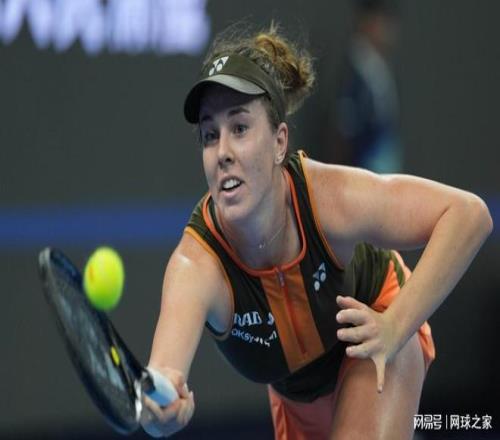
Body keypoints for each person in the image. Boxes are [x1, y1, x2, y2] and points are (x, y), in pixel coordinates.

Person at [139, 22, 493, 440]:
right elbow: (164, 376)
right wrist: (160, 414)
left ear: (279, 142)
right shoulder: (196, 265)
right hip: (298, 399)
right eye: (209, 135)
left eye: (240, 128)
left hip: (375, 338)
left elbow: (468, 215)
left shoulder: (325, 196)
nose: (223, 153)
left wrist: (396, 326)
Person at [321, 0, 402, 173]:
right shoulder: (354, 70)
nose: (389, 30)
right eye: (383, 22)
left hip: (380, 164)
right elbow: (344, 131)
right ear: (368, 22)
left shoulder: (377, 66)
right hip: (362, 167)